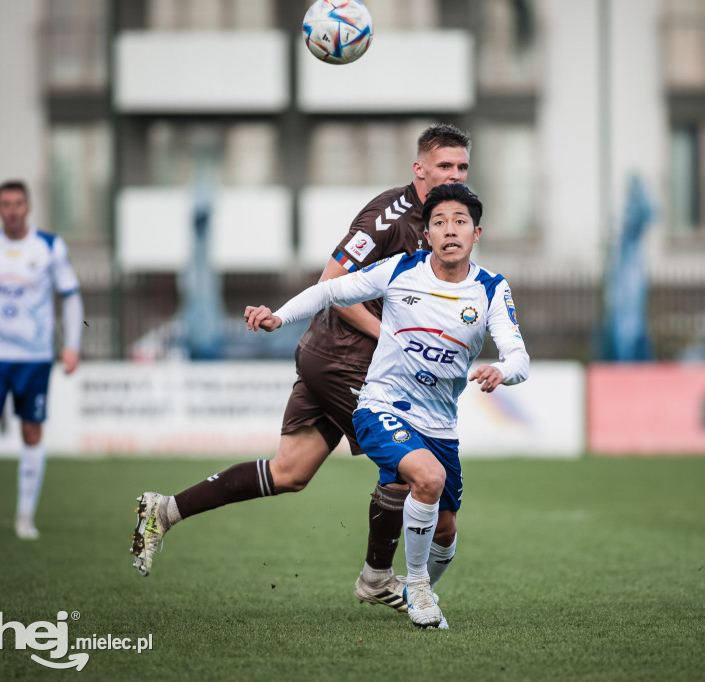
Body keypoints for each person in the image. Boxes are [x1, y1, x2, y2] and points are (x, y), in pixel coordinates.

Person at [131, 124, 471, 612]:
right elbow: (332, 281)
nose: (454, 175)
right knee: (408, 463)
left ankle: (163, 511)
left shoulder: (449, 217)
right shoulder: (388, 217)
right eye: (444, 166)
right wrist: (392, 337)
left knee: (290, 472)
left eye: (461, 167)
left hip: (329, 357)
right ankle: (377, 578)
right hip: (344, 360)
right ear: (419, 170)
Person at [245, 183, 529, 628]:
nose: (449, 230)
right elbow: (329, 291)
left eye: (460, 222)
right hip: (382, 407)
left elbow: (518, 355)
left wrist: (502, 370)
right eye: (439, 223)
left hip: (440, 425)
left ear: (477, 234)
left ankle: (421, 588)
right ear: (427, 233)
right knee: (427, 478)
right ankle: (415, 587)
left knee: (447, 529)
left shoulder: (491, 288)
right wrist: (279, 316)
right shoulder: (400, 269)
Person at [0, 180, 83, 539]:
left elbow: (71, 296)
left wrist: (72, 345)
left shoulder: (49, 247)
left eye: (18, 203)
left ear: (28, 207)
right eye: (6, 203)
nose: (12, 210)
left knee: (31, 430)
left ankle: (25, 516)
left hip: (35, 357)